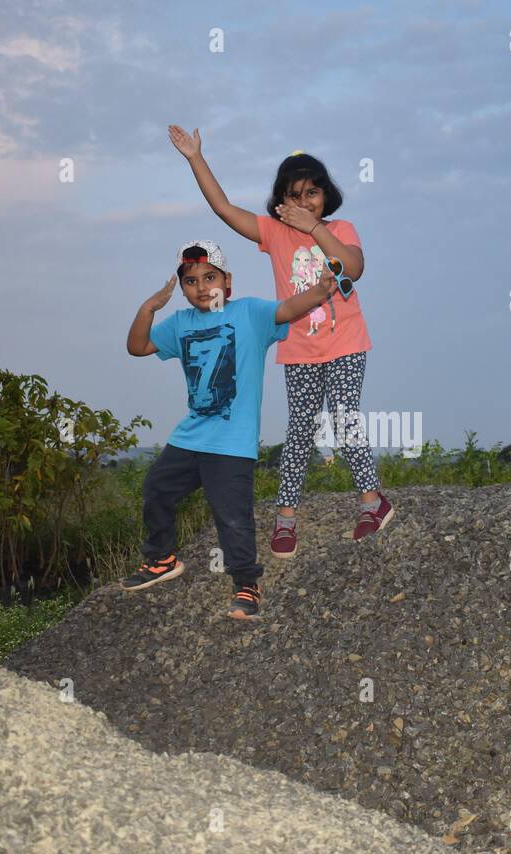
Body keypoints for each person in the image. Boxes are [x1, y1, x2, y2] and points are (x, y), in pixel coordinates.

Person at [169, 125, 394, 559]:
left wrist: (315, 228)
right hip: (299, 349)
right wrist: (195, 157)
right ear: (281, 200)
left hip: (346, 342)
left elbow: (353, 268)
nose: (304, 201)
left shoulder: (341, 227)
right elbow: (222, 208)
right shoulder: (273, 234)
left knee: (345, 418)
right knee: (300, 430)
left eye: (312, 193)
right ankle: (286, 516)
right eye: (294, 195)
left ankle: (372, 502)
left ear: (325, 195)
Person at [120, 239, 335, 620]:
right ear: (182, 287)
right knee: (156, 488)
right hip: (190, 437)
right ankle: (162, 559)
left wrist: (320, 290)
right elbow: (137, 347)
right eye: (191, 281)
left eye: (210, 277)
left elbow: (287, 308)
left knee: (232, 516)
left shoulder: (250, 314)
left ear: (227, 280)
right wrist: (149, 307)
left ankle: (247, 584)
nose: (201, 287)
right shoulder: (181, 324)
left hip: (232, 443)